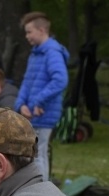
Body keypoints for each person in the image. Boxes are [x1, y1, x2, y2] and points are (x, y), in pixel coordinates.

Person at [14, 12, 69, 181]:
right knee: (32, 154)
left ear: (42, 30)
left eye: (30, 31)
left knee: (38, 155)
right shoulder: (35, 53)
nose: (27, 36)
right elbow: (27, 82)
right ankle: (35, 191)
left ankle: (41, 194)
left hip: (43, 113)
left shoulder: (52, 52)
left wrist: (38, 101)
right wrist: (21, 104)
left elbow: (60, 79)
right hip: (31, 112)